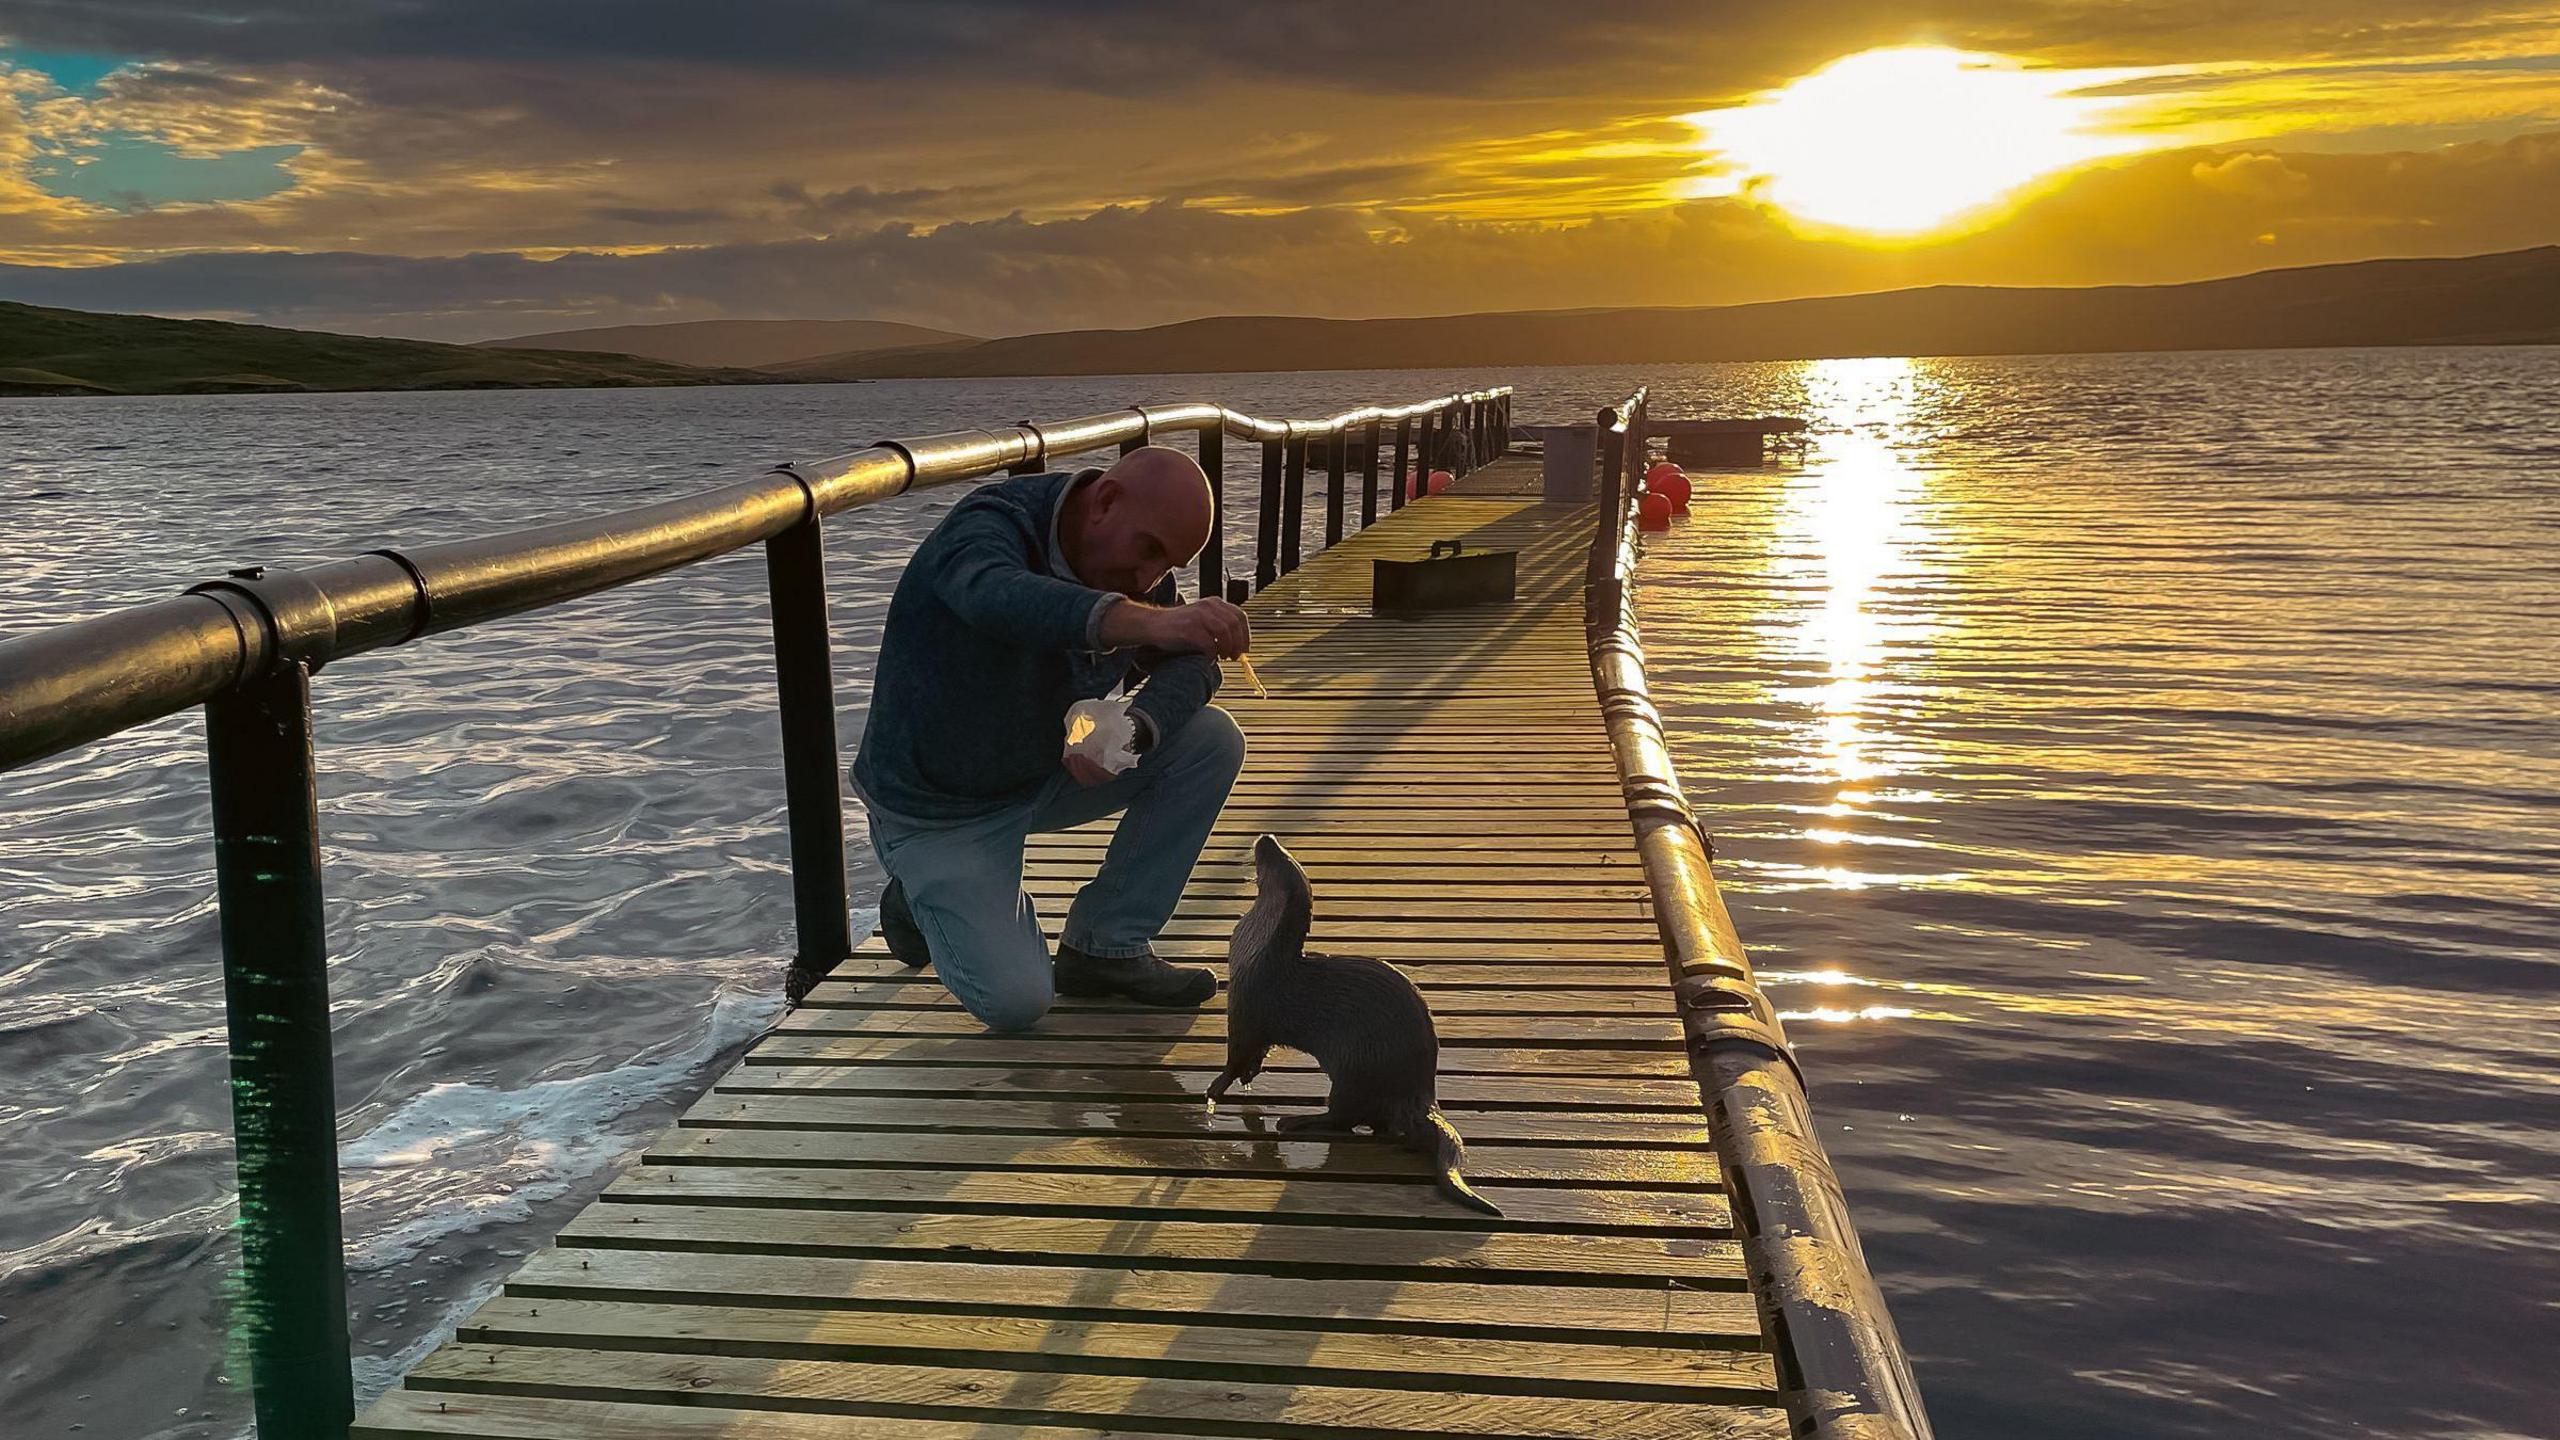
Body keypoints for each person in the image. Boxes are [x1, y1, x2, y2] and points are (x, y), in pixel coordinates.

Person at [808, 445, 1251, 1031]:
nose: (1151, 579)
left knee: (1211, 741)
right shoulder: (988, 527)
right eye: (1148, 549)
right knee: (1016, 1004)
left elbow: (1189, 662)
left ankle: (1105, 947)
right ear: (1106, 502)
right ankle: (915, 898)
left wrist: (1134, 727)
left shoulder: (1134, 570)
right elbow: (1001, 598)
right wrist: (1152, 622)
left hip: (1044, 769)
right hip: (940, 808)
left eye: (1168, 565)